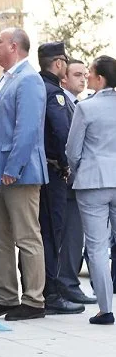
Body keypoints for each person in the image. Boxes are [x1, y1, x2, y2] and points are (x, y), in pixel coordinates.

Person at [0, 28, 48, 321]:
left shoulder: (29, 79)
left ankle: (34, 299)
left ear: (14, 45)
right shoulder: (6, 79)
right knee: (0, 238)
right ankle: (6, 295)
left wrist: (13, 168)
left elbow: (28, 129)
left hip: (17, 172)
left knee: (26, 237)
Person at [66, 55, 116, 325]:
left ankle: (105, 309)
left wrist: (78, 169)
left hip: (93, 180)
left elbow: (72, 150)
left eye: (91, 74)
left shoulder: (86, 108)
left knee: (97, 247)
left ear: (100, 78)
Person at [37, 42, 83, 315]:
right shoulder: (55, 94)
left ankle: (46, 289)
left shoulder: (36, 86)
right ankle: (52, 292)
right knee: (52, 233)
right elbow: (63, 135)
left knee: (42, 232)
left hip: (40, 170)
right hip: (53, 172)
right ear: (58, 64)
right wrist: (67, 165)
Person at [57, 60, 96, 304]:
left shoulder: (78, 104)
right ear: (64, 78)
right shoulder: (66, 104)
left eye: (85, 74)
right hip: (69, 179)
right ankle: (68, 283)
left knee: (76, 234)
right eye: (77, 74)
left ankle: (69, 282)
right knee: (72, 234)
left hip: (78, 178)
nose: (82, 79)